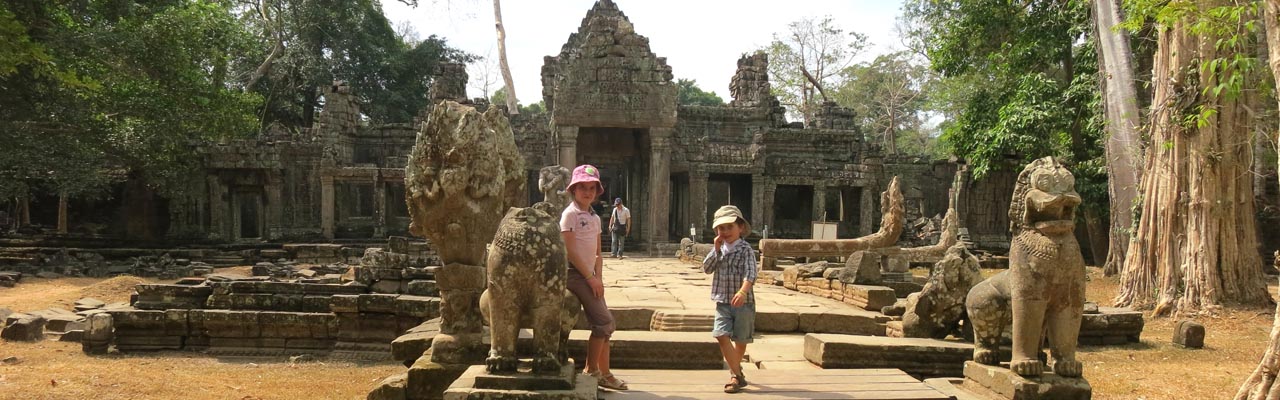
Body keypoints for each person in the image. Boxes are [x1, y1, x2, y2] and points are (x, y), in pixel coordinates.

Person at [559, 164, 627, 391]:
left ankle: (604, 372)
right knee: (604, 323)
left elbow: (598, 252)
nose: (587, 192)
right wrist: (590, 278)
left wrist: (599, 277)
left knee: (606, 325)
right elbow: (569, 252)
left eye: (591, 188)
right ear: (573, 190)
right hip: (574, 274)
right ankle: (592, 370)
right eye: (582, 188)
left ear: (598, 191)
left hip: (590, 275)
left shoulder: (594, 217)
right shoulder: (569, 215)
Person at [701, 205, 757, 394]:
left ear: (740, 228)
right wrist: (715, 249)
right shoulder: (720, 249)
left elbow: (750, 273)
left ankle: (734, 376)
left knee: (740, 341)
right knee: (720, 334)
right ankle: (738, 374)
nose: (724, 232)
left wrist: (742, 292)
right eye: (720, 228)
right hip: (722, 301)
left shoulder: (746, 249)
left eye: (729, 227)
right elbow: (707, 268)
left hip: (744, 302)